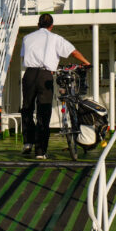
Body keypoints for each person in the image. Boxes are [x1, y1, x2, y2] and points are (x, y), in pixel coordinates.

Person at [20, 14, 91, 159]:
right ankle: (40, 151)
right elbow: (73, 52)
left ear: (38, 24)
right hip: (45, 75)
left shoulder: (27, 38)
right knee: (43, 112)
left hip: (29, 74)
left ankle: (28, 142)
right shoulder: (55, 38)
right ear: (51, 26)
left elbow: (24, 55)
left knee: (27, 108)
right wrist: (86, 62)